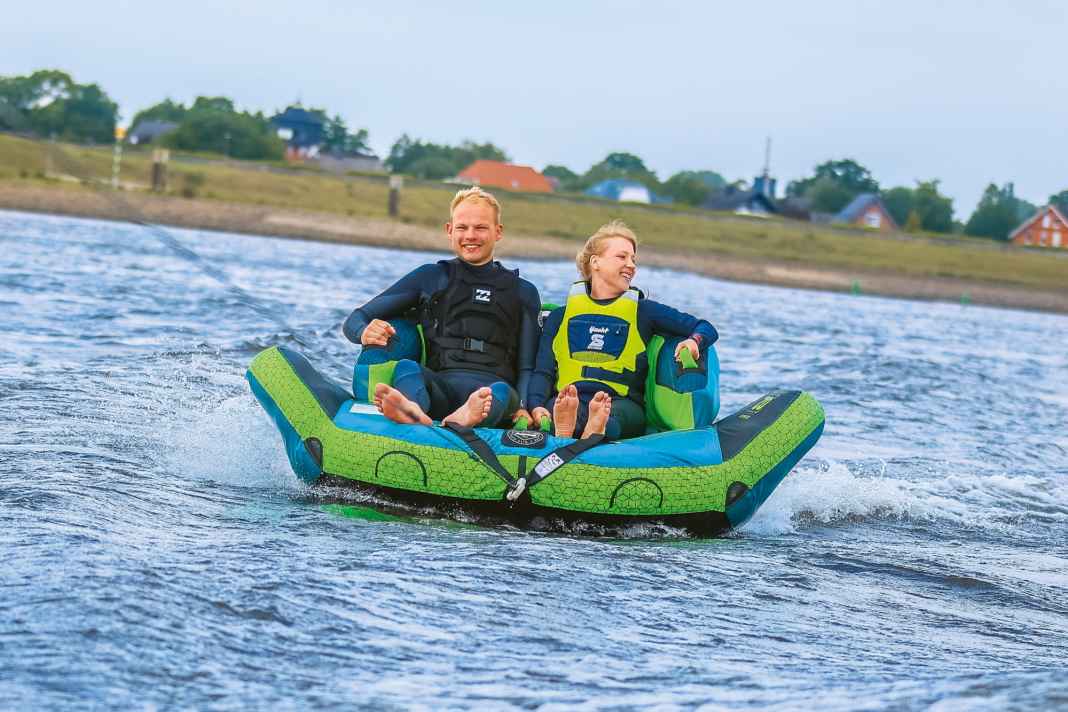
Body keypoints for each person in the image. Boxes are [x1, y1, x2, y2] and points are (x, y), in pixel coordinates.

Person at [343, 187, 542, 428]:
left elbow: (527, 365)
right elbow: (356, 318)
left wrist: (522, 406)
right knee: (407, 368)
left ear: (497, 232)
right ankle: (414, 410)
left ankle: (468, 415)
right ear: (449, 230)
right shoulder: (431, 277)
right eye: (462, 227)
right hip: (441, 387)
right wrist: (364, 331)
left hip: (492, 393)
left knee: (498, 392)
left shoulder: (524, 292)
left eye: (480, 228)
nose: (470, 235)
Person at [527, 220, 718, 440]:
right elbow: (543, 372)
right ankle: (572, 430)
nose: (632, 265)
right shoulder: (561, 316)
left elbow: (705, 327)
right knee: (558, 409)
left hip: (620, 403)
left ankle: (585, 431)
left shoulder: (644, 311)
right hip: (569, 398)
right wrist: (536, 406)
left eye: (633, 259)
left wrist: (694, 341)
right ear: (595, 262)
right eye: (622, 257)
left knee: (610, 419)